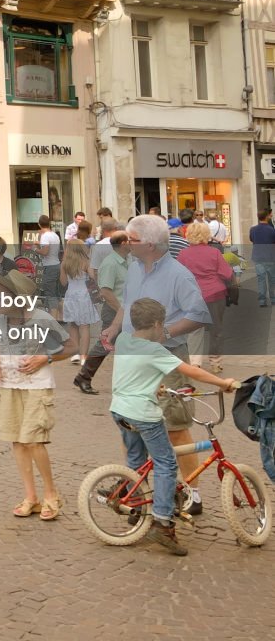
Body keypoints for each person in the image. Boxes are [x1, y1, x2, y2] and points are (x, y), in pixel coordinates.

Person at [103, 214, 212, 514]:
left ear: (150, 244)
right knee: (131, 424)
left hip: (168, 363)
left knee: (176, 427)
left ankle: (193, 493)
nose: (126, 244)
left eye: (131, 240)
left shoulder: (179, 275)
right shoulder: (134, 269)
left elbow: (198, 315)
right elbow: (128, 305)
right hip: (133, 361)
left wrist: (165, 332)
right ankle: (136, 487)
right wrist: (115, 327)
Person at [110, 299, 237, 556]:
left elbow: (135, 370)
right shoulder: (156, 352)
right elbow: (192, 371)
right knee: (166, 463)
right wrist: (223, 383)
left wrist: (151, 383)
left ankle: (136, 507)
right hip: (143, 413)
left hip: (119, 409)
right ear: (158, 324)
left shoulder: (124, 339)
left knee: (136, 457)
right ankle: (162, 522)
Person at [0, 270, 73, 521]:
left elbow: (70, 346)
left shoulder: (42, 319)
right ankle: (31, 497)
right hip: (9, 385)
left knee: (34, 441)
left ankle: (51, 493)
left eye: (1, 296)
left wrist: (45, 358)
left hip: (37, 385)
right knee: (17, 440)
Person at [73, 231, 129, 395]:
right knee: (105, 344)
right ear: (123, 244)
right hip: (114, 310)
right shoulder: (110, 264)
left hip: (125, 310)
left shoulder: (127, 261)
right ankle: (84, 376)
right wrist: (120, 311)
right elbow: (105, 291)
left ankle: (86, 377)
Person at [177, 222, 234, 372]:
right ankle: (215, 363)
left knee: (194, 330)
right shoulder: (214, 252)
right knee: (216, 328)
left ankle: (195, 363)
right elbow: (227, 274)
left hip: (192, 296)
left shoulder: (183, 254)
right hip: (215, 294)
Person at [58, 241, 98, 367]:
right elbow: (93, 277)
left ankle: (74, 354)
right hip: (84, 295)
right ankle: (83, 357)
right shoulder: (86, 262)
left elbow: (63, 282)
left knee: (73, 326)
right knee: (84, 327)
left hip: (70, 295)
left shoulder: (65, 263)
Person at [249, 209, 275, 308]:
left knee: (261, 279)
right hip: (270, 257)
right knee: (272, 279)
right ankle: (273, 299)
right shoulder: (271, 229)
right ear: (267, 217)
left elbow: (252, 239)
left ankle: (262, 301)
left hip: (258, 256)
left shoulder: (253, 229)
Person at [36, 215, 61, 314]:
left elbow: (45, 252)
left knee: (50, 294)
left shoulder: (45, 236)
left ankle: (53, 322)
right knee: (56, 293)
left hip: (49, 267)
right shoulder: (54, 235)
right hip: (56, 264)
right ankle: (61, 316)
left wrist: (36, 249)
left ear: (39, 224)